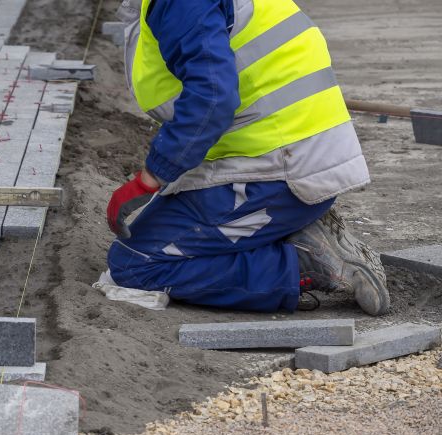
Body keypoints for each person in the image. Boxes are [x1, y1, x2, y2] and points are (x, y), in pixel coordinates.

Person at [105, 0, 390, 315]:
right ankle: (294, 228)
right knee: (153, 238)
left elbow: (213, 97)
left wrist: (151, 177)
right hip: (285, 155)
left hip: (278, 171)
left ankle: (302, 263)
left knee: (136, 264)